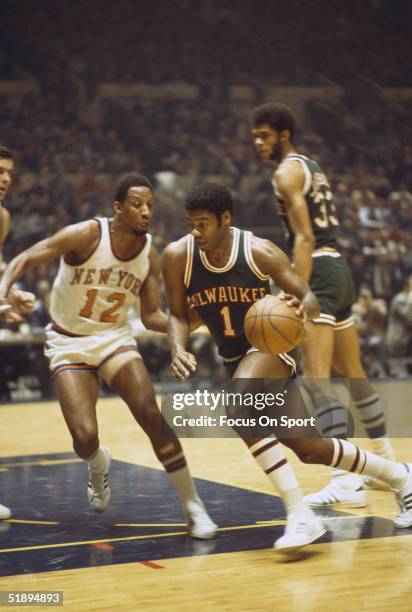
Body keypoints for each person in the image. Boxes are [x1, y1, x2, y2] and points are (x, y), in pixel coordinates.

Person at [161, 183, 412, 552]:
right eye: (190, 224)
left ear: (225, 219)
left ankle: (299, 515)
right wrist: (177, 347)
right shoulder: (176, 256)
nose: (195, 231)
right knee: (310, 447)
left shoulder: (260, 252)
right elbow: (179, 316)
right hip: (234, 358)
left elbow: (309, 299)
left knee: (236, 404)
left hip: (271, 348)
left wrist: (297, 308)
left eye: (203, 224)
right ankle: (400, 476)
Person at [0, 173, 217, 539]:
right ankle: (98, 461)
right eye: (137, 204)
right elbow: (25, 256)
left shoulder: (149, 252)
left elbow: (151, 316)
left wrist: (190, 323)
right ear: (118, 207)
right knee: (84, 437)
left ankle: (193, 506)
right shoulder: (87, 234)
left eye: (150, 204)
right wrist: (3, 293)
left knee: (152, 415)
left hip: (114, 338)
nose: (146, 211)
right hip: (68, 341)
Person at [251, 103, 396, 507]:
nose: (258, 143)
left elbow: (304, 238)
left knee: (316, 380)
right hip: (340, 269)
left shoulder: (285, 172)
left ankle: (346, 480)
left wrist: (297, 288)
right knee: (352, 372)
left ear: (283, 133)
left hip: (321, 274)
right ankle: (389, 464)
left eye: (264, 135)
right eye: (254, 137)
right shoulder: (310, 165)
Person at [0, 146, 35, 520]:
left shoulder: (2, 217)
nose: (6, 179)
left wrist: (12, 294)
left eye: (9, 172)